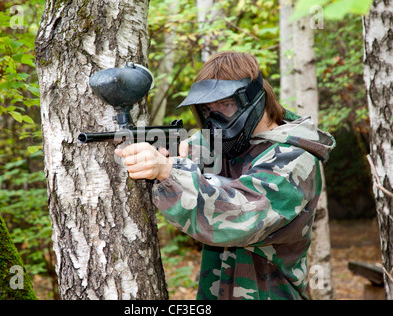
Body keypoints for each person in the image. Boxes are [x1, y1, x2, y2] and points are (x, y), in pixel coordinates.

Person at [115, 51, 336, 300]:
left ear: (255, 101)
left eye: (226, 105)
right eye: (208, 111)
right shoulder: (228, 143)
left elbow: (237, 217)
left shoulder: (295, 158)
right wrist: (167, 152)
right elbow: (193, 149)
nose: (216, 119)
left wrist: (168, 172)